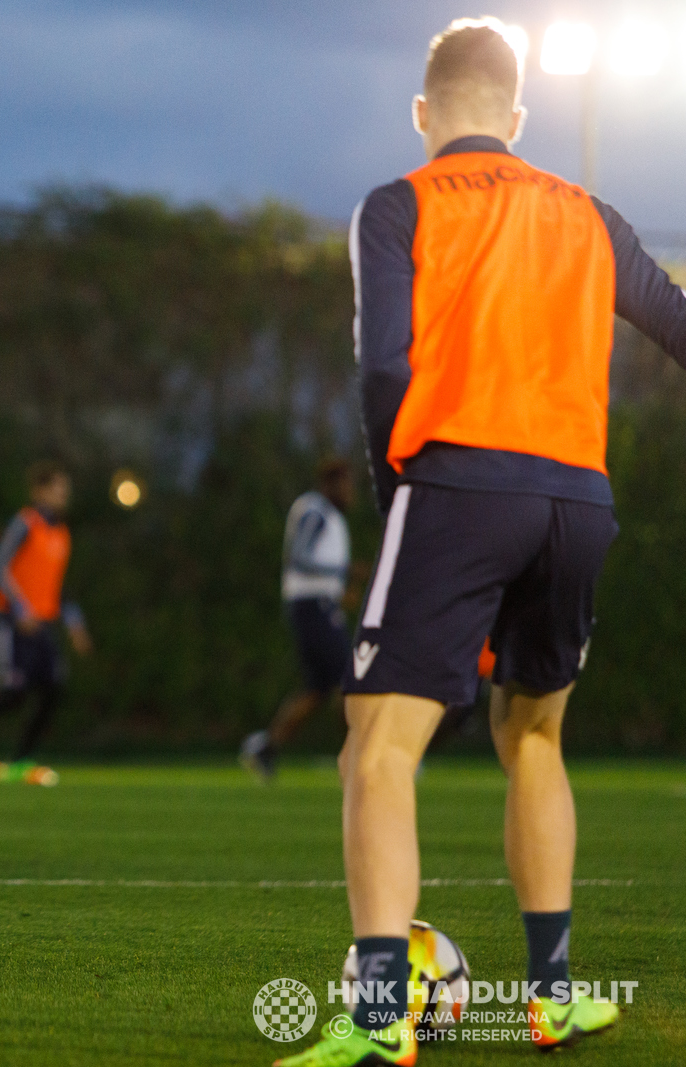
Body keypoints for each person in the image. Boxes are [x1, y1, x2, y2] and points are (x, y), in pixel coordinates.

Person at [278, 19, 686, 1066]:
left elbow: (383, 369)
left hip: (459, 481)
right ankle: (551, 997)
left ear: (423, 114)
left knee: (375, 747)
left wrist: (390, 487)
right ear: (517, 117)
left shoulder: (396, 202)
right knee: (535, 736)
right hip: (579, 501)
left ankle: (377, 1019)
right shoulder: (590, 211)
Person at [0, 462, 91, 770]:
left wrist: (75, 624)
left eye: (64, 490)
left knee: (54, 688)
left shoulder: (62, 532)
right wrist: (21, 609)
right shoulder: (25, 524)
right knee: (13, 693)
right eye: (56, 489)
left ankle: (22, 759)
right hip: (14, 623)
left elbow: (59, 584)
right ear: (39, 491)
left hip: (44, 624)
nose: (62, 496)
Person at [240, 458, 356, 783]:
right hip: (312, 606)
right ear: (330, 484)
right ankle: (357, 754)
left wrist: (337, 589)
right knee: (349, 681)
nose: (351, 493)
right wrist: (341, 574)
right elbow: (300, 557)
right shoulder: (315, 510)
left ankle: (266, 748)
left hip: (317, 604)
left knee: (316, 689)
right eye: (346, 484)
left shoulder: (329, 516)